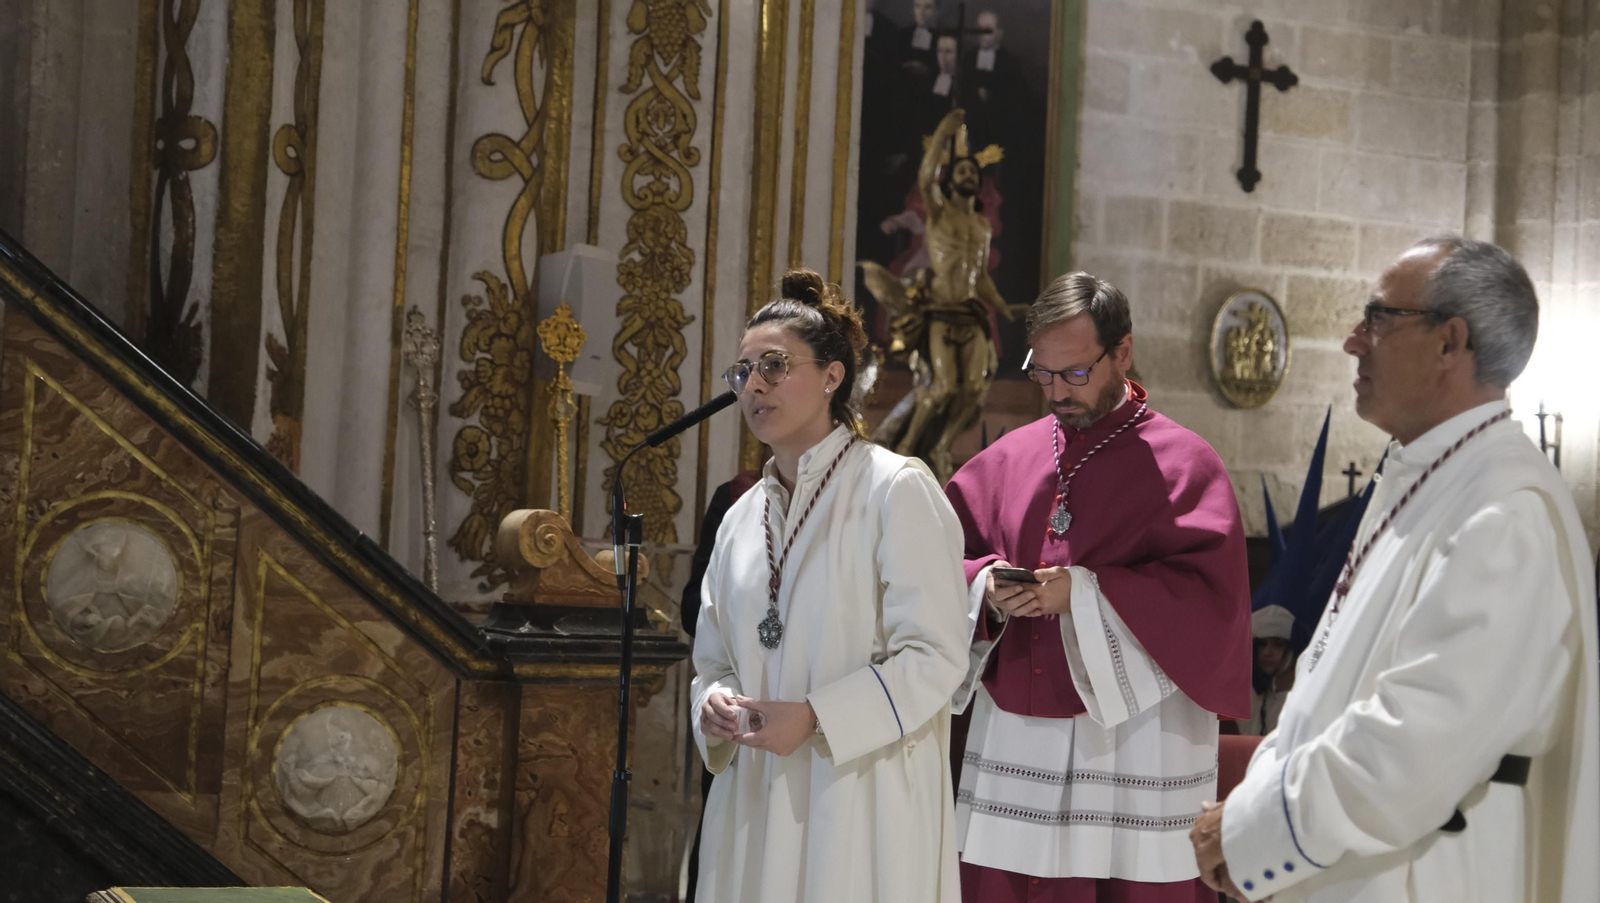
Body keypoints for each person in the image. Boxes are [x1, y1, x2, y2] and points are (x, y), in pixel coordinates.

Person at [1191, 236, 1600, 902]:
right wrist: (1252, 808)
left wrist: (1254, 830)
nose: (1355, 341)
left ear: (1450, 342)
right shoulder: (1429, 478)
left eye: (1378, 318)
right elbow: (1327, 686)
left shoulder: (1505, 513)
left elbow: (1415, 741)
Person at [946, 271, 1253, 901]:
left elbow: (1212, 606)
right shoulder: (1008, 458)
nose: (1056, 391)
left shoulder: (1185, 464)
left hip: (1135, 740)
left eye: (1076, 373)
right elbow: (941, 561)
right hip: (1019, 732)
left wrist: (1083, 594)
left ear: (1123, 353)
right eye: (1043, 372)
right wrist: (987, 587)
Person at [689, 269, 972, 902]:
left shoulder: (895, 489)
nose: (753, 384)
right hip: (755, 799)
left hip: (861, 795)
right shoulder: (739, 519)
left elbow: (937, 656)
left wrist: (817, 718)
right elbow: (711, 659)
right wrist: (712, 703)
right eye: (742, 372)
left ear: (832, 376)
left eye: (774, 365)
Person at [1234, 605, 1296, 736]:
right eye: (1262, 644)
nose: (1267, 652)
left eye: (1277, 645)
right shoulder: (1248, 695)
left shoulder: (1298, 696)